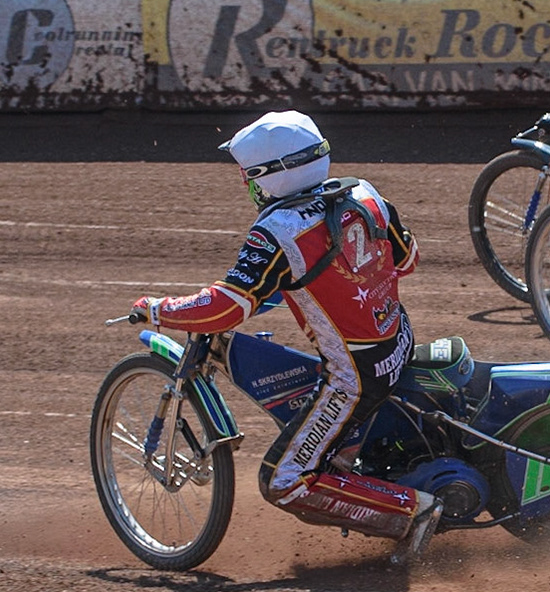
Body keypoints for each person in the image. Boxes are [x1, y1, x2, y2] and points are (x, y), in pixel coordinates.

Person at [129, 111, 445, 563]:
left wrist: (158, 310)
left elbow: (226, 307)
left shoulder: (277, 231)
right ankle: (350, 459)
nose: (245, 186)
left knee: (284, 480)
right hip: (396, 340)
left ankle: (413, 511)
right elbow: (406, 259)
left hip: (354, 377)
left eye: (248, 176)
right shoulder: (364, 193)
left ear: (272, 176)